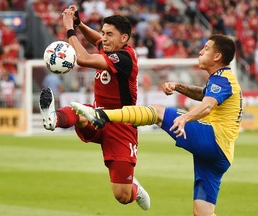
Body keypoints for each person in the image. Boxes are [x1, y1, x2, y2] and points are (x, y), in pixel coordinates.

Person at [70, 34, 243, 216]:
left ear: (217, 56)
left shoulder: (222, 78)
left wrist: (185, 118)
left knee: (158, 112)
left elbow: (207, 105)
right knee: (203, 212)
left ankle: (102, 114)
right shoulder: (222, 79)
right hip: (220, 156)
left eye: (206, 48)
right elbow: (204, 94)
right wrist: (178, 86)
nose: (200, 51)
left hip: (212, 140)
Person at [39, 5, 150, 210]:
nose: (104, 38)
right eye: (103, 32)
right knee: (80, 111)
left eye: (109, 34)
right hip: (96, 114)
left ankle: (133, 187)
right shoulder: (110, 48)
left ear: (124, 38)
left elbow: (83, 58)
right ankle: (53, 119)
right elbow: (95, 41)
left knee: (123, 196)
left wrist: (70, 29)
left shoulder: (125, 58)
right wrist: (80, 23)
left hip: (120, 125)